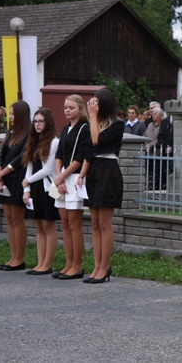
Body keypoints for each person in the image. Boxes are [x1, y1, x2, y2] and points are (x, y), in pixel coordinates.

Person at [77, 89, 124, 284]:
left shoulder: (118, 125)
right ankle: (97, 265)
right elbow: (90, 151)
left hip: (108, 171)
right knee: (94, 223)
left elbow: (98, 141)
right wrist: (81, 176)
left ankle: (105, 266)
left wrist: (93, 116)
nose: (91, 106)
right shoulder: (93, 124)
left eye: (95, 103)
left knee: (104, 223)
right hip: (94, 171)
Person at [52, 94, 89, 280]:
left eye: (71, 107)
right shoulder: (66, 129)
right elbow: (59, 155)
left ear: (80, 109)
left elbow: (80, 158)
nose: (67, 110)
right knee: (65, 223)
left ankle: (77, 265)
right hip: (63, 178)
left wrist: (63, 177)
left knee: (75, 224)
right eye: (66, 107)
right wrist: (59, 179)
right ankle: (68, 263)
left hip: (74, 178)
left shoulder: (84, 128)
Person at [0, 100, 31, 271]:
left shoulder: (29, 134)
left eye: (13, 114)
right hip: (5, 179)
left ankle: (19, 258)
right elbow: (1, 155)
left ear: (21, 115)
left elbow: (21, 158)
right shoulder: (10, 133)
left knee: (17, 219)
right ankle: (12, 256)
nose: (10, 117)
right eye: (10, 114)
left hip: (17, 178)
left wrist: (2, 173)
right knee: (9, 219)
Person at [22, 108, 60, 276]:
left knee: (47, 224)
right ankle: (40, 263)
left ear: (48, 122)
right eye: (35, 121)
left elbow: (48, 169)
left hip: (46, 187)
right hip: (35, 187)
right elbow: (29, 166)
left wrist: (28, 181)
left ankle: (47, 264)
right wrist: (26, 189)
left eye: (41, 121)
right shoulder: (33, 141)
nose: (37, 124)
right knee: (38, 225)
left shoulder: (54, 142)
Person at [143, 108, 165, 190]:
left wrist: (150, 145)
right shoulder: (150, 125)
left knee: (157, 170)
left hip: (157, 152)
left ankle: (157, 186)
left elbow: (159, 138)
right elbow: (145, 135)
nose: (153, 115)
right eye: (152, 114)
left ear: (160, 115)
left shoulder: (162, 125)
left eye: (155, 114)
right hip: (147, 152)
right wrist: (145, 144)